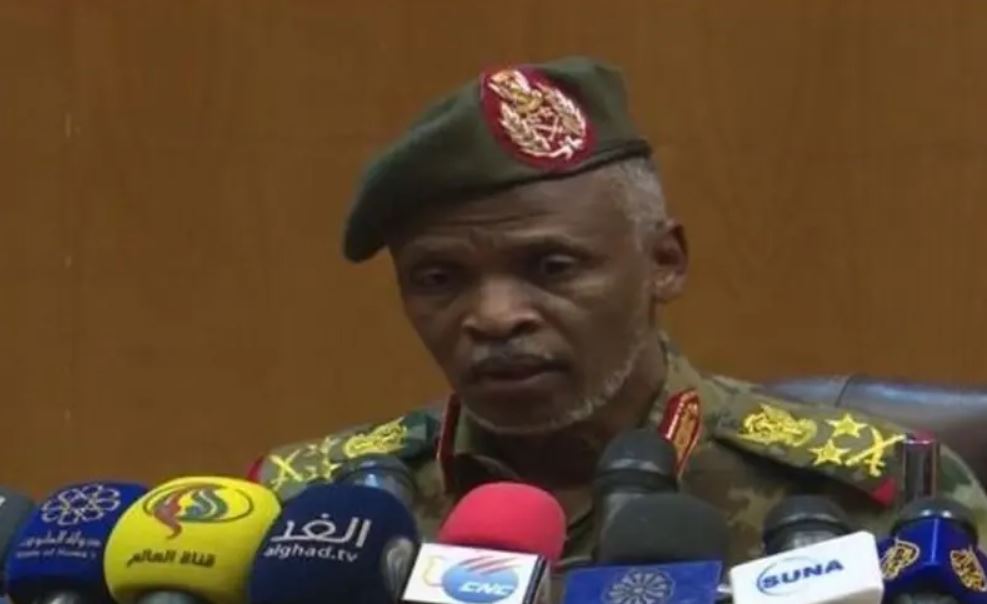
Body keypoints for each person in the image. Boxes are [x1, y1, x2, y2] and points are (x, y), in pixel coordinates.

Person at [250, 56, 987, 567]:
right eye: (439, 279)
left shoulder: (873, 492)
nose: (495, 317)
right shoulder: (313, 513)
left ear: (664, 262)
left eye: (551, 267)